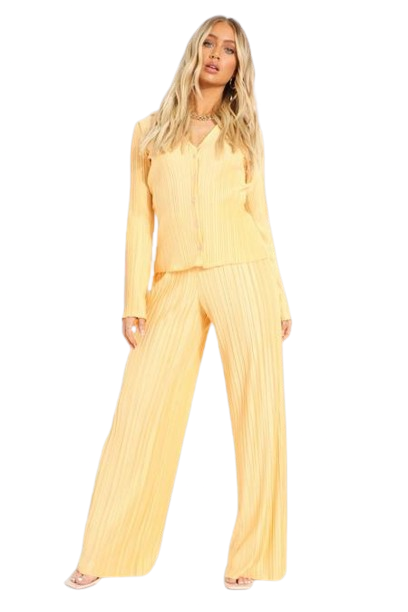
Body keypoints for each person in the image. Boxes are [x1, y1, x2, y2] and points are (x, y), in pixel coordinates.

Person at [65, 15, 292, 592]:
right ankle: (104, 549)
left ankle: (251, 556)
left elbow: (260, 217)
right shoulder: (148, 132)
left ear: (238, 67)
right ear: (194, 52)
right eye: (209, 43)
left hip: (244, 273)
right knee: (139, 411)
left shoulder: (244, 134)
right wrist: (132, 300)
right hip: (173, 281)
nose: (217, 54)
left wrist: (278, 296)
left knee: (259, 414)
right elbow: (138, 219)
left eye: (230, 49)